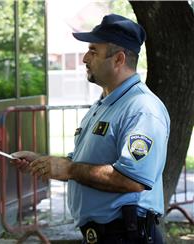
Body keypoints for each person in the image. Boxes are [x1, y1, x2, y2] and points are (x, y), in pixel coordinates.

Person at [12, 14, 170, 244]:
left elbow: (132, 179)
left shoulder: (142, 108)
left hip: (126, 235)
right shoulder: (105, 103)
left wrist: (70, 169)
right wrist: (45, 162)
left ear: (118, 59)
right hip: (105, 235)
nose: (85, 58)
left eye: (93, 51)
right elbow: (85, 161)